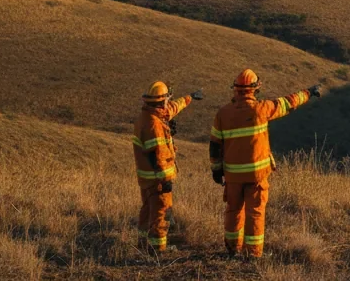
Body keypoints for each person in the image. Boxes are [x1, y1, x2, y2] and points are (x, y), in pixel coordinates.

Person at [211, 69, 321, 260]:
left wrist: (216, 169)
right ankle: (252, 254)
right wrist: (308, 92)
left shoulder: (223, 114)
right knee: (255, 212)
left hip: (233, 176)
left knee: (233, 210)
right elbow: (287, 103)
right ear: (255, 89)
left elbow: (214, 145)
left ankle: (232, 249)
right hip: (257, 175)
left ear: (235, 89)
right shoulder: (261, 109)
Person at [133, 81, 204, 254]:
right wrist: (165, 179)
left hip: (147, 177)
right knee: (161, 211)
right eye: (166, 99)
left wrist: (189, 97)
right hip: (157, 178)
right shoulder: (154, 125)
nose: (168, 102)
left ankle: (143, 244)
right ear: (160, 101)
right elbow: (159, 155)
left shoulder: (150, 116)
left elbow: (173, 108)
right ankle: (158, 249)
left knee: (147, 209)